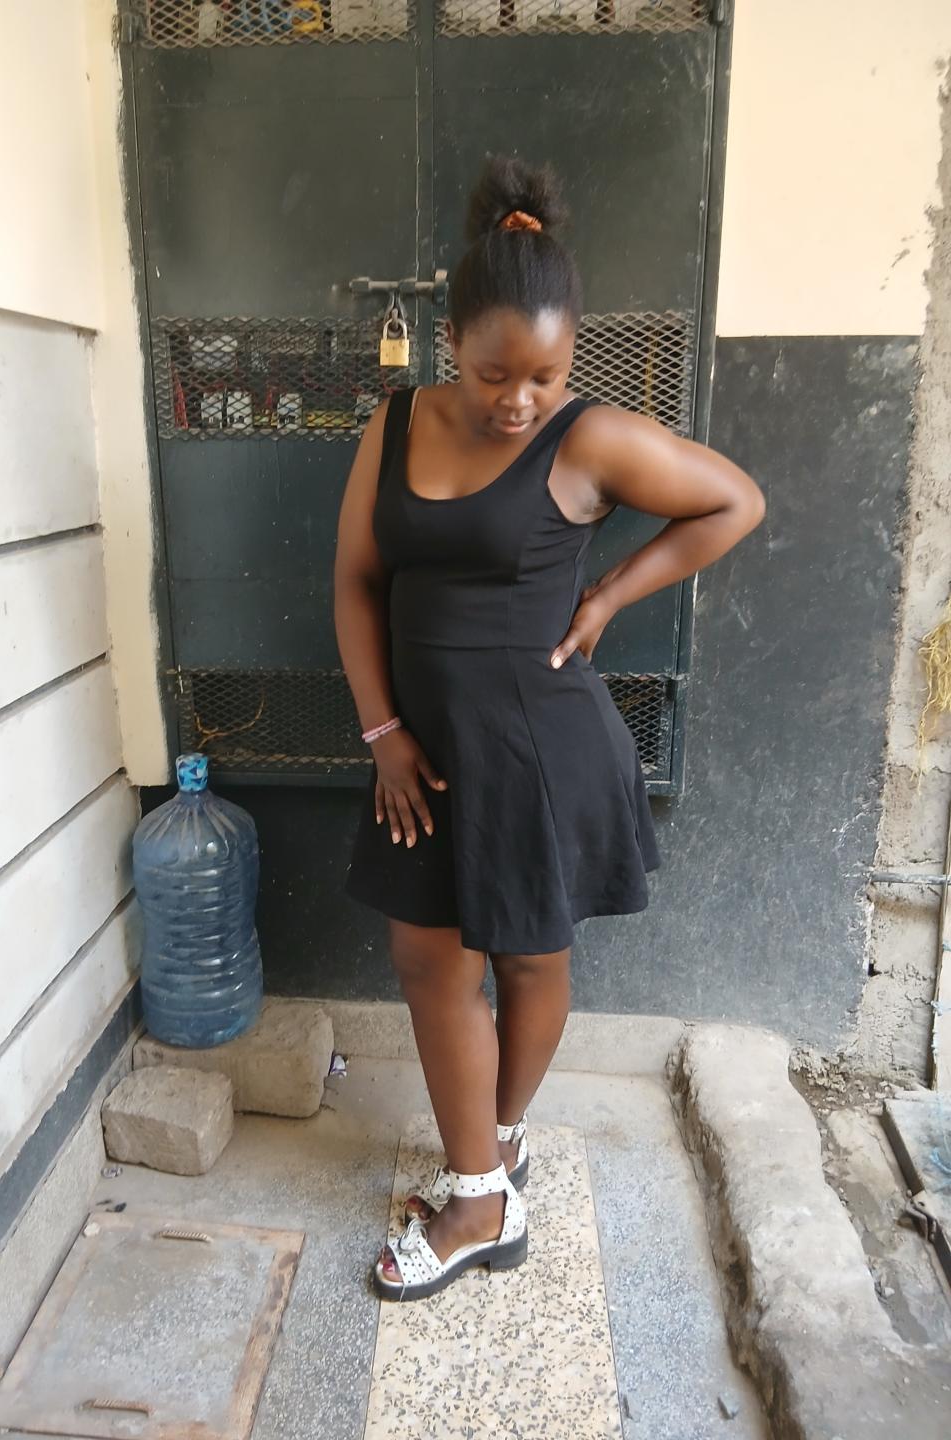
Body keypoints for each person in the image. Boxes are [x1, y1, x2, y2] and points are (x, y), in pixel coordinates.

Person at [333, 154, 765, 1302]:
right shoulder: (394, 423)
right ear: (451, 345)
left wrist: (613, 593)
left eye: (545, 374)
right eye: (493, 374)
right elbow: (356, 584)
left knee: (529, 956)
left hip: (541, 749)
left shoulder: (587, 437)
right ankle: (484, 1180)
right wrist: (381, 732)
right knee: (429, 960)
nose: (518, 400)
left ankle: (489, 1167)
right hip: (420, 752)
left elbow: (734, 500)